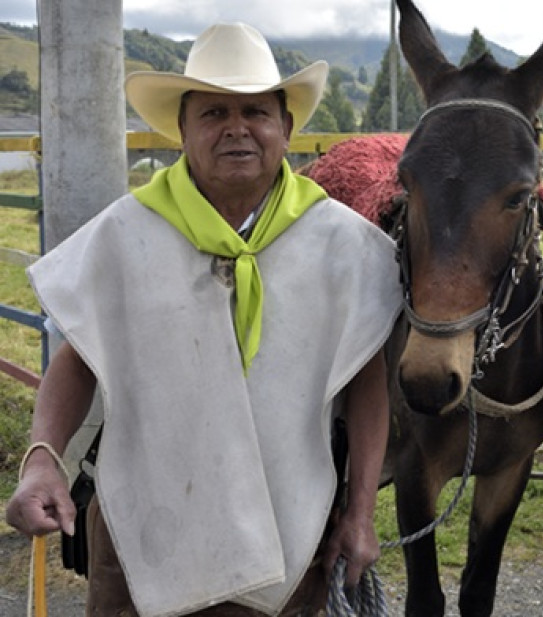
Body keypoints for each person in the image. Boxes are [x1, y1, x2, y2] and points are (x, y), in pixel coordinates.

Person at [5, 22, 402, 616]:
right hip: (145, 536)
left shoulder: (341, 244)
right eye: (214, 112)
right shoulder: (127, 233)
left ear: (286, 128)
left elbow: (366, 383)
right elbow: (78, 360)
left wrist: (362, 513)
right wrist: (41, 462)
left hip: (289, 533)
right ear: (183, 129)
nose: (237, 128)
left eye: (255, 112)